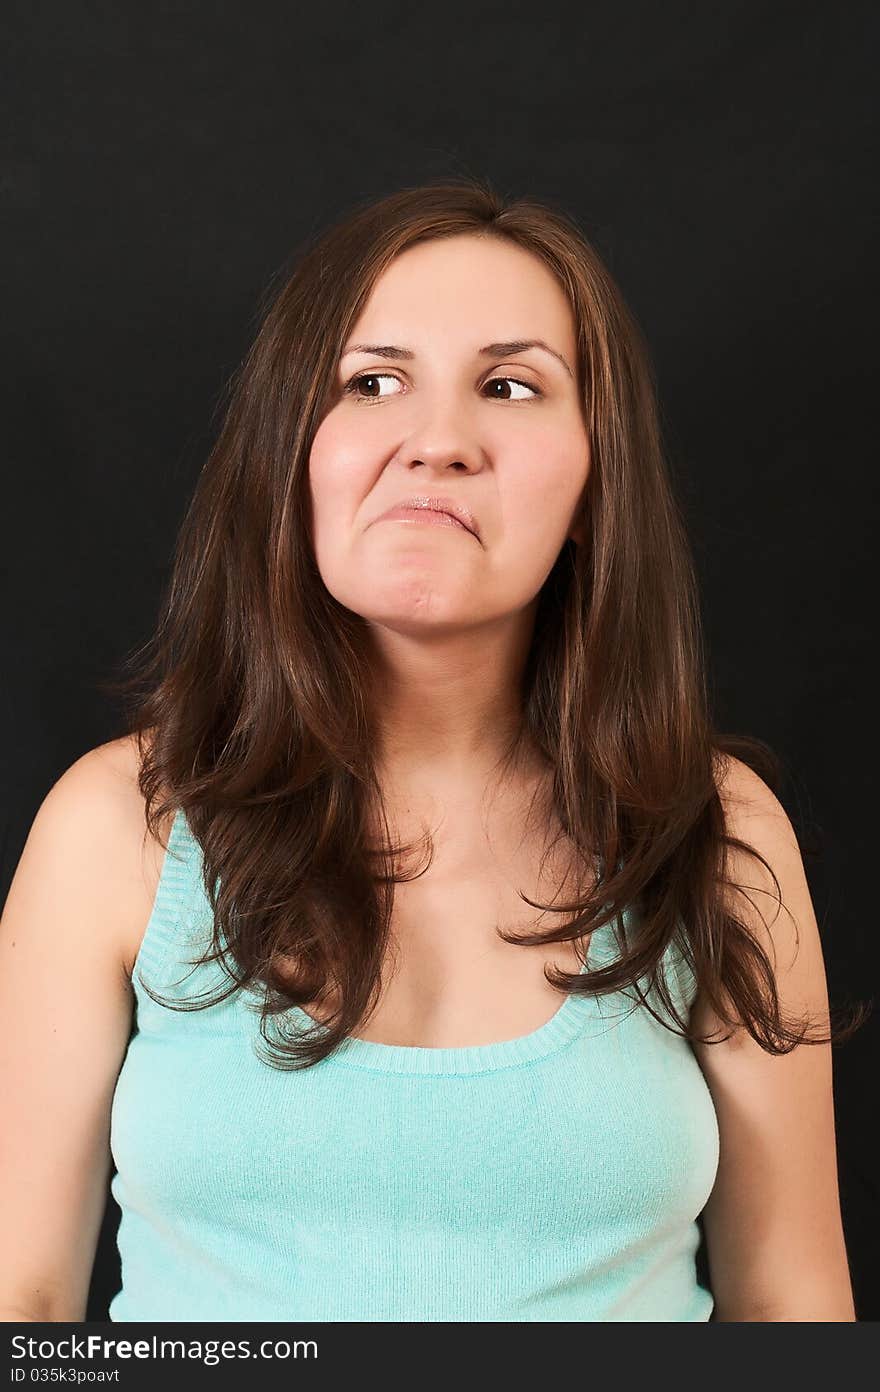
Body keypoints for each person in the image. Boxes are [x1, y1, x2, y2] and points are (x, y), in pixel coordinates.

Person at [0, 178, 865, 1323]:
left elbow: (794, 1307)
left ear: (594, 486)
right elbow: (26, 1301)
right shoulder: (117, 827)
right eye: (373, 382)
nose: (439, 441)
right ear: (290, 454)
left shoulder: (714, 832)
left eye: (510, 387)